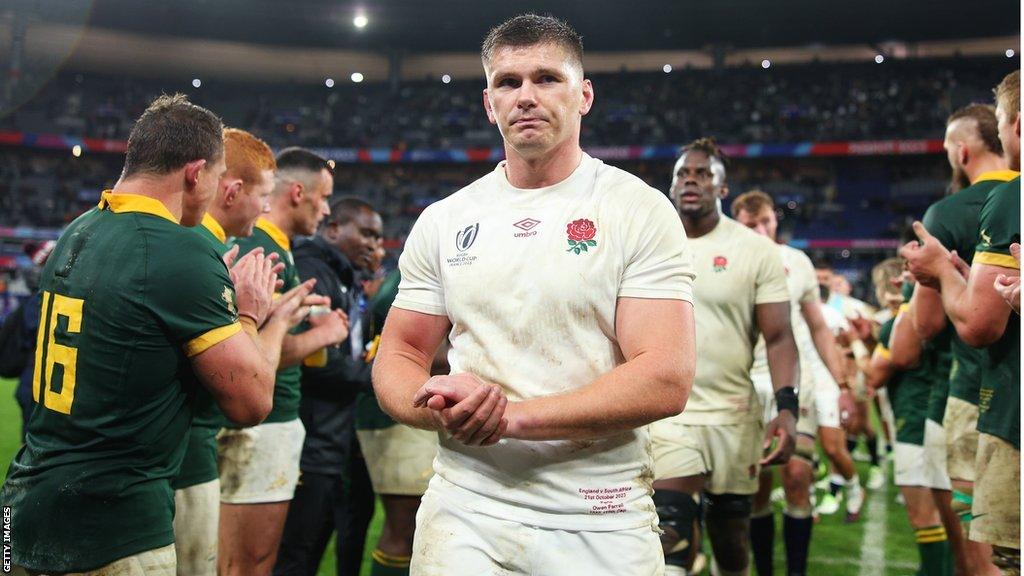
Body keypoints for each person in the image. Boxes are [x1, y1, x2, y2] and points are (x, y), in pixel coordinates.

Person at [372, 14, 696, 575]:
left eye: (547, 78)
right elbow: (398, 354)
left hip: (599, 510)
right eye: (508, 82)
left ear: (584, 95)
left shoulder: (636, 210)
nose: (526, 96)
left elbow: (666, 375)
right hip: (466, 504)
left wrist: (510, 419)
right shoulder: (446, 220)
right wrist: (438, 410)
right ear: (488, 102)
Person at [0, 94, 310, 576]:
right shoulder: (178, 249)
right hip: (113, 527)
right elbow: (251, 404)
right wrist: (249, 315)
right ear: (196, 173)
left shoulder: (77, 231)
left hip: (17, 512)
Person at [651, 139, 798, 576]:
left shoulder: (755, 251)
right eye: (682, 173)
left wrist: (787, 409)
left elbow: (779, 337)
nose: (691, 179)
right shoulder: (649, 244)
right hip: (668, 414)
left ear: (723, 187)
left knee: (730, 539)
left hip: (734, 416)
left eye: (703, 173)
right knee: (671, 530)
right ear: (672, 185)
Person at [902, 69, 1020, 573]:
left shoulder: (956, 210)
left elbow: (936, 328)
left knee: (988, 557)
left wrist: (939, 277)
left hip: (986, 394)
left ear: (961, 152)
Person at [219, 147, 349, 576]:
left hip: (266, 424)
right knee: (249, 564)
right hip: (261, 426)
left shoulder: (277, 246)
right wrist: (323, 334)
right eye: (323, 197)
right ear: (298, 192)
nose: (327, 209)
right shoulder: (263, 249)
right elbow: (249, 356)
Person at [731, 190, 862, 575]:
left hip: (793, 383)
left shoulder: (797, 262)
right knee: (756, 486)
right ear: (737, 225)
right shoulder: (724, 262)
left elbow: (820, 328)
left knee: (798, 474)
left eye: (766, 222)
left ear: (776, 221)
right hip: (747, 384)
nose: (761, 229)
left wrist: (841, 385)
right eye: (751, 224)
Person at [171, 127, 282, 576]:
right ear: (233, 190)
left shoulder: (187, 243)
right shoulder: (201, 251)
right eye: (265, 195)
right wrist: (253, 317)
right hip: (183, 457)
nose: (268, 207)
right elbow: (249, 396)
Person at [274, 196, 382, 576]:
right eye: (366, 233)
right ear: (333, 229)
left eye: (378, 237)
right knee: (295, 554)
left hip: (330, 434)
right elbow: (315, 365)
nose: (373, 244)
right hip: (310, 437)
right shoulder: (313, 272)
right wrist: (377, 378)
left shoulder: (341, 276)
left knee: (315, 546)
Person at [867, 260, 953, 576]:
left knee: (925, 516)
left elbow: (875, 376)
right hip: (943, 416)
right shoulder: (949, 311)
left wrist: (859, 346)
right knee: (949, 516)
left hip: (915, 422)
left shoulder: (901, 323)